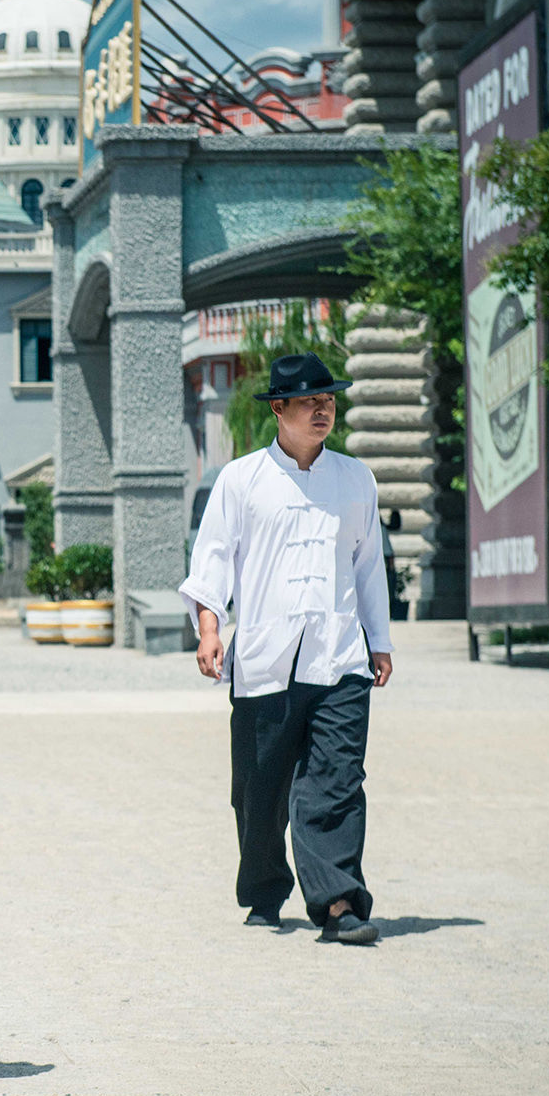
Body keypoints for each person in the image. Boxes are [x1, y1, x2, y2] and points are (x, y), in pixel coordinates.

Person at [179, 352, 394, 946]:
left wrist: (379, 640)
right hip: (264, 662)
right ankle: (265, 890)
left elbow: (368, 567)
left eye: (330, 400)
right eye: (310, 401)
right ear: (279, 408)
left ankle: (338, 903)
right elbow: (213, 560)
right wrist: (210, 628)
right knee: (258, 790)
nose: (324, 410)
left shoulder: (356, 479)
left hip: (340, 656)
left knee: (337, 779)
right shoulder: (241, 480)